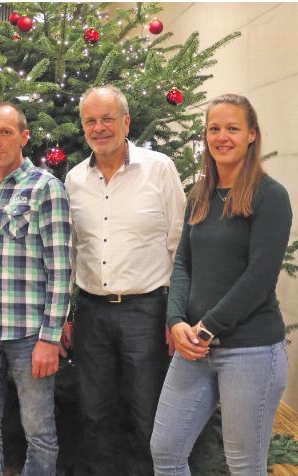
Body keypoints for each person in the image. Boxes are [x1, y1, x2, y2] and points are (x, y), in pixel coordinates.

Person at [150, 94, 292, 476]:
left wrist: (207, 327)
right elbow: (183, 262)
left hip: (251, 350)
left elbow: (259, 278)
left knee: (244, 465)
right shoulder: (201, 195)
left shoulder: (270, 196)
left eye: (232, 128)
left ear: (251, 135)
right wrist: (176, 319)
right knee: (165, 452)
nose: (222, 137)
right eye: (214, 128)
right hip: (193, 348)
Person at [62, 85, 186, 474]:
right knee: (94, 413)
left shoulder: (159, 168)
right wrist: (67, 314)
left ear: (126, 122)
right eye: (91, 121)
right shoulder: (74, 179)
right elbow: (70, 252)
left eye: (107, 119)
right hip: (91, 313)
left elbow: (181, 246)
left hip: (146, 311)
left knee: (146, 411)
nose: (99, 128)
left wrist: (175, 315)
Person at [0, 103, 72, 475]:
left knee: (38, 431)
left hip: (28, 336)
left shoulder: (46, 189)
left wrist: (50, 338)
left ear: (23, 137)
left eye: (5, 132)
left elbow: (61, 269)